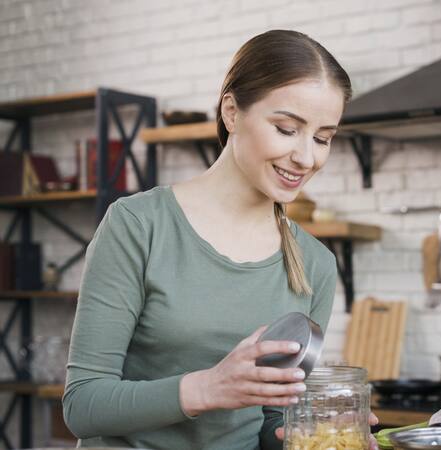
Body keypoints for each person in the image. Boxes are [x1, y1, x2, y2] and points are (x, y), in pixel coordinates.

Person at [63, 29, 378, 449]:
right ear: (232, 112)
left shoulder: (314, 262)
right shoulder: (138, 225)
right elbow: (83, 406)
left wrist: (314, 439)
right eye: (287, 129)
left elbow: (269, 421)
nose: (307, 157)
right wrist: (209, 388)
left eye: (323, 138)